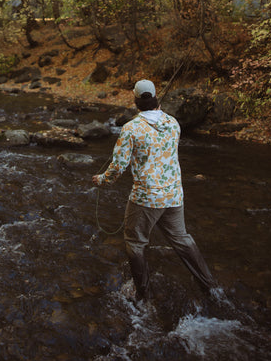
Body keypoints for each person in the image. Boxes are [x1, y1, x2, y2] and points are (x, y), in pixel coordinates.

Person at [92, 79, 216, 302]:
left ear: (136, 100)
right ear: (156, 98)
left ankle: (143, 295)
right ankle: (210, 286)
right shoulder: (174, 123)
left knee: (135, 243)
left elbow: (119, 165)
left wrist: (102, 180)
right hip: (174, 195)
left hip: (146, 198)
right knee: (181, 238)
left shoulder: (131, 129)